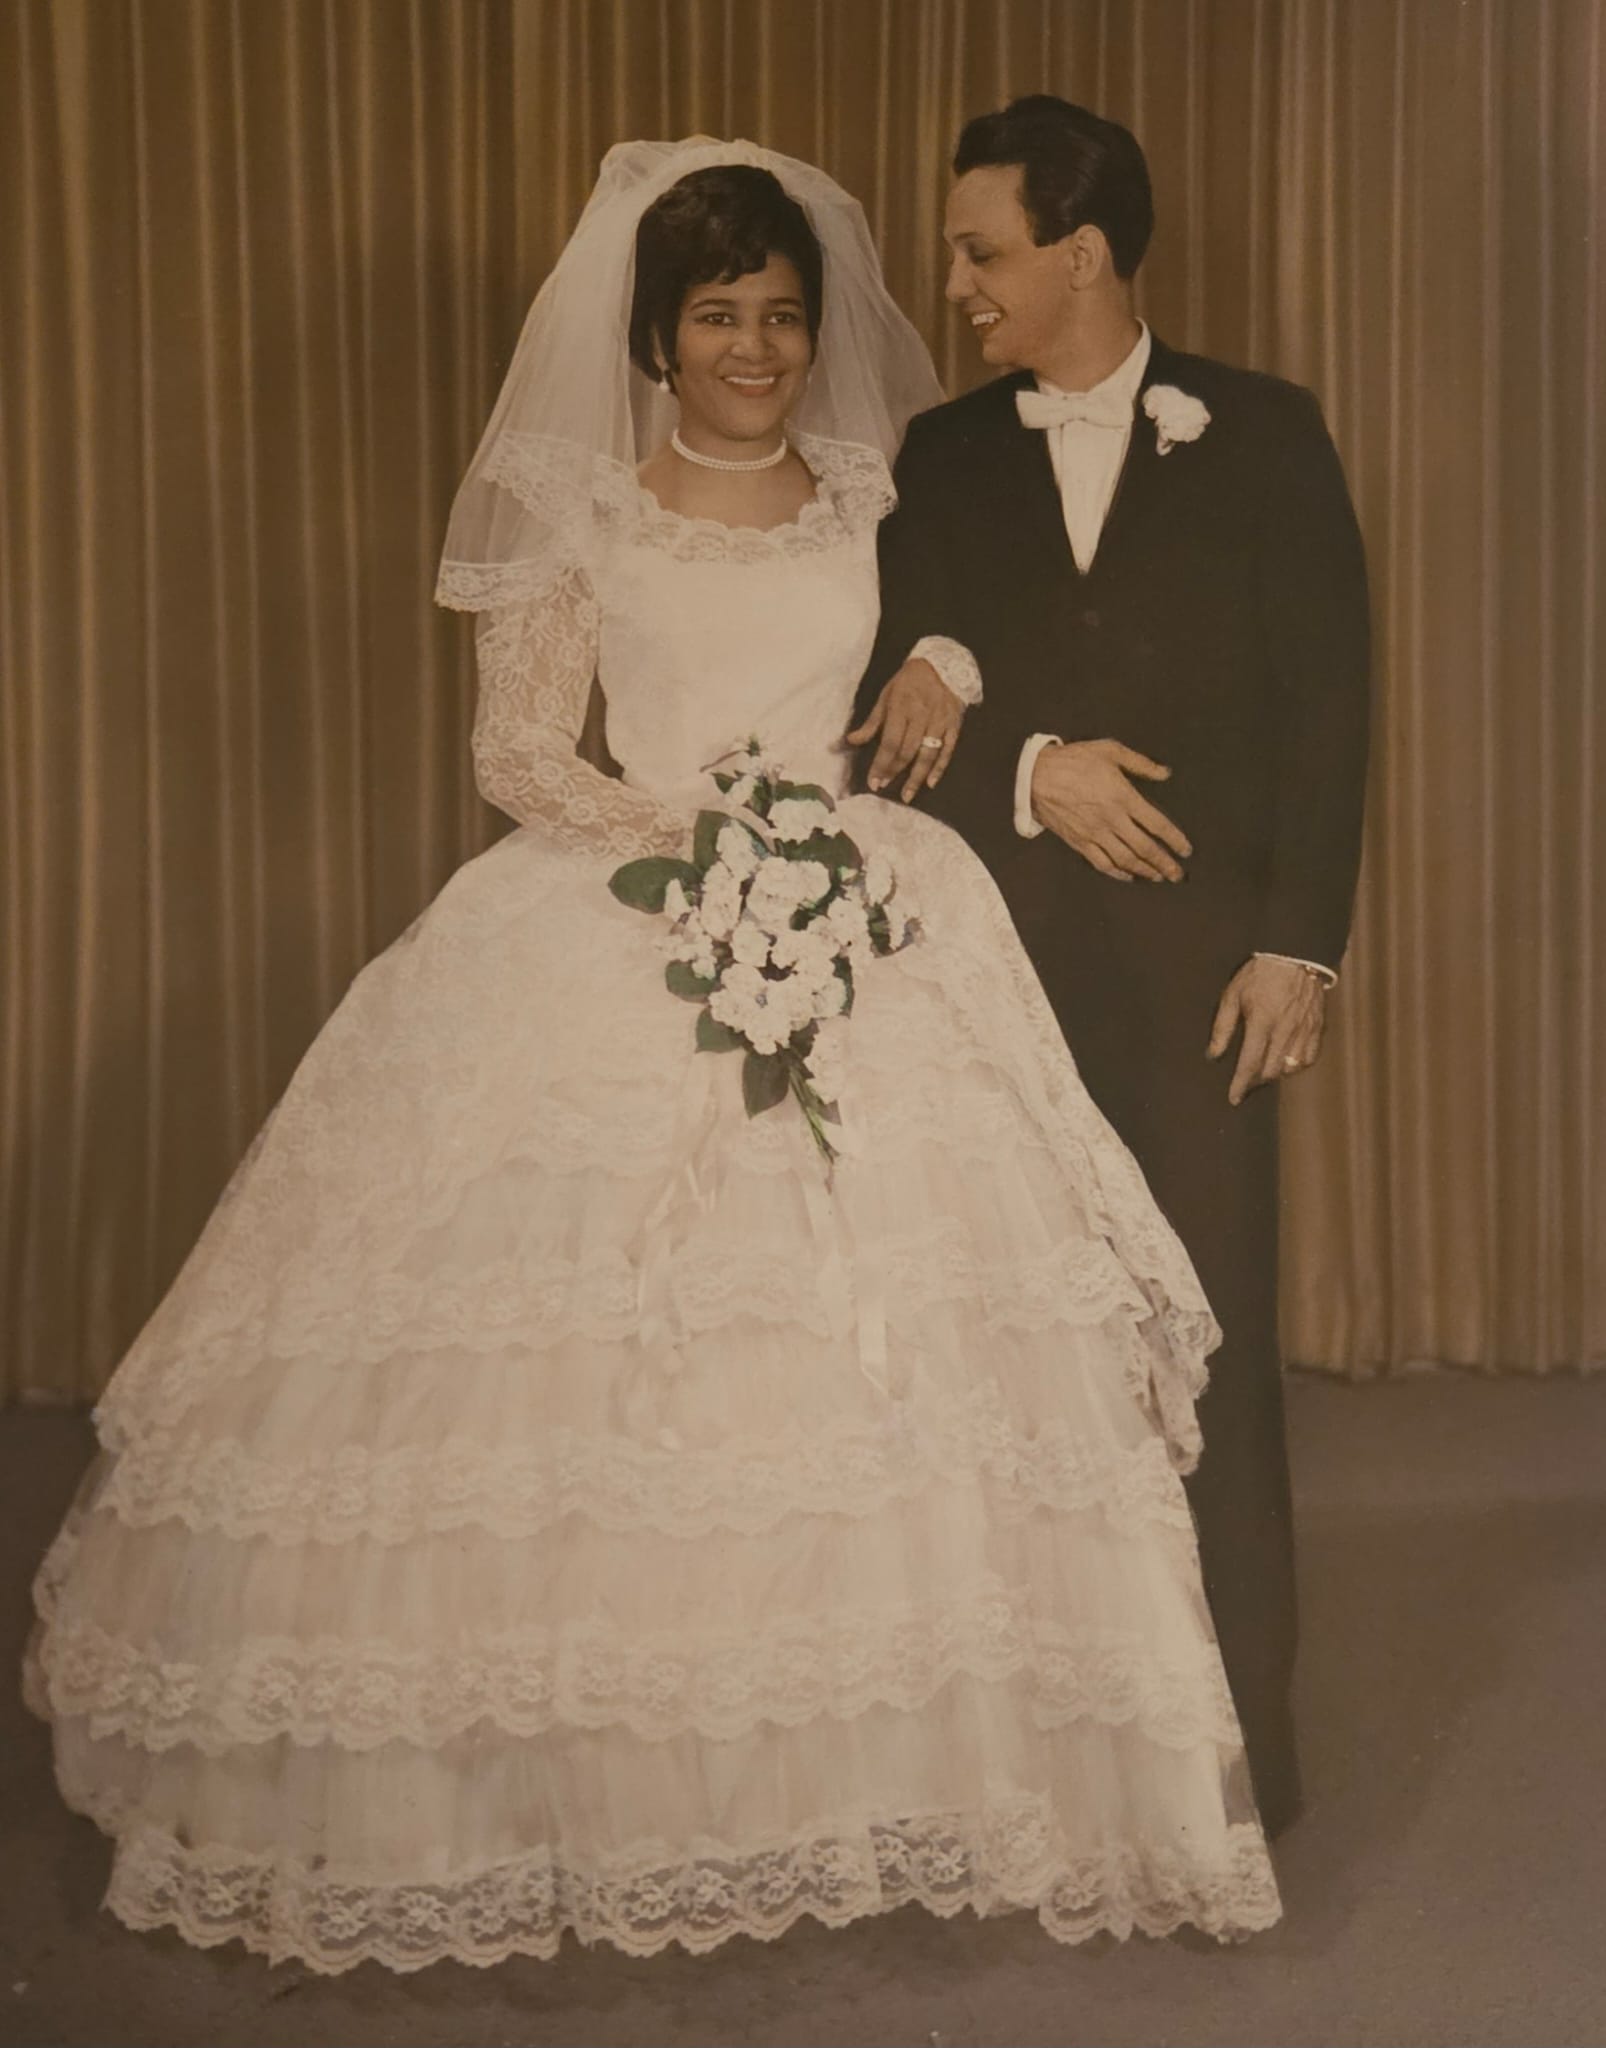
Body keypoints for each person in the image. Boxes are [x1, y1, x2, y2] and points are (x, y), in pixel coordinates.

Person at [25, 139, 1280, 1973]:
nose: (754, 349)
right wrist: (704, 847)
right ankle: (565, 1789)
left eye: (779, 315)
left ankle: (875, 1771)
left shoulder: (884, 495)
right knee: (572, 1360)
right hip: (628, 901)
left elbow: (968, 636)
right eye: (716, 318)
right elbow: (519, 756)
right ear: (654, 336)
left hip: (868, 911)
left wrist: (930, 681)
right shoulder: (585, 516)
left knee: (905, 1345)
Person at [852, 96, 1371, 1839]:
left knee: (1212, 1354)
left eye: (978, 252)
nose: (955, 283)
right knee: (1011, 1367)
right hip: (984, 997)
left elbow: (1328, 703)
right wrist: (1027, 771)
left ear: (1079, 254)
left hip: (1204, 991)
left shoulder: (1266, 432)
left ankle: (1239, 1769)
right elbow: (875, 715)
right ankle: (1042, 1762)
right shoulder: (936, 459)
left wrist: (1298, 946)